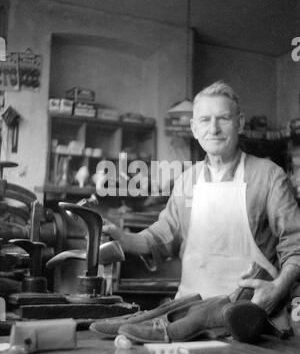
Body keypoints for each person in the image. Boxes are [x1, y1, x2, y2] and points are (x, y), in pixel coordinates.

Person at [103, 81, 300, 317]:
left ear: (240, 123)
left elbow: (296, 244)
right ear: (194, 128)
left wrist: (277, 289)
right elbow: (163, 236)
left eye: (223, 118)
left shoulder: (268, 176)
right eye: (205, 120)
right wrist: (123, 239)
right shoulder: (188, 179)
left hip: (248, 314)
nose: (214, 129)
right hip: (189, 311)